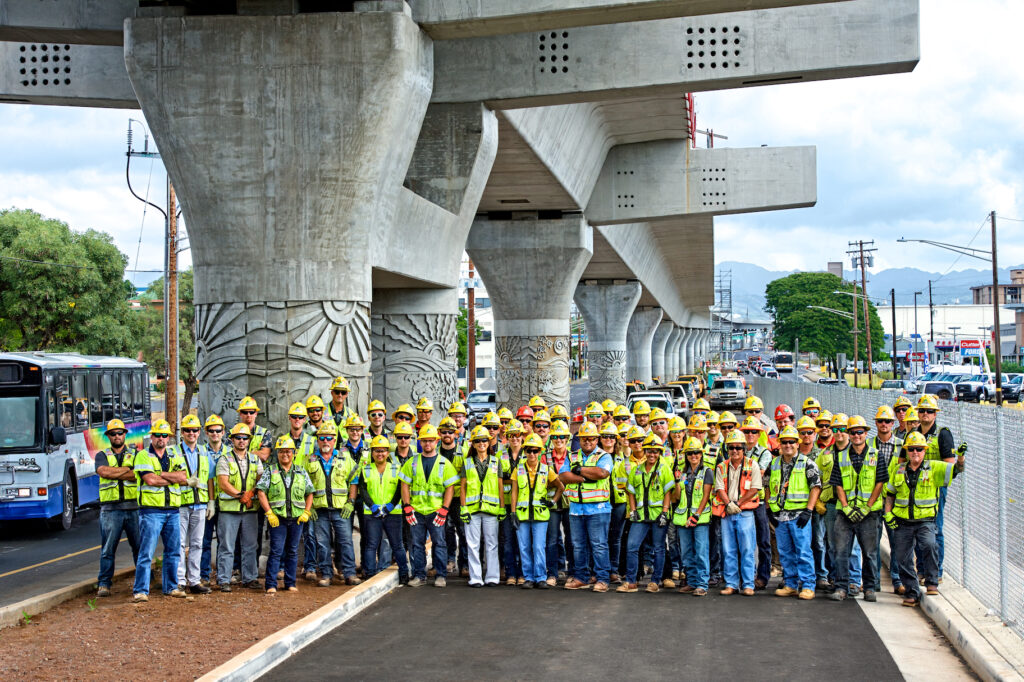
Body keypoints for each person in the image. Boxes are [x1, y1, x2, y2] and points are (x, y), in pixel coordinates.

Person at [884, 431, 966, 607]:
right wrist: (888, 513)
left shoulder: (934, 467)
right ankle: (912, 592)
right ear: (906, 451)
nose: (915, 453)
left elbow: (956, 471)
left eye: (919, 449)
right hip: (902, 522)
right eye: (912, 449)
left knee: (929, 545)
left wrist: (960, 459)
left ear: (924, 451)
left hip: (925, 520)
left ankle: (931, 582)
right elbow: (890, 495)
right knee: (902, 557)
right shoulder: (898, 470)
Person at [829, 415, 886, 603]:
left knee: (869, 553)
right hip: (845, 514)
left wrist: (867, 507)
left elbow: (879, 482)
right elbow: (837, 483)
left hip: (868, 514)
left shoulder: (876, 455)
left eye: (859, 432)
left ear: (866, 433)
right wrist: (845, 507)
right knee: (841, 551)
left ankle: (869, 587)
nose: (856, 436)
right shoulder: (841, 456)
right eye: (852, 432)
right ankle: (841, 587)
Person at [132, 419, 188, 602]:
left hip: (172, 509)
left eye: (165, 435)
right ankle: (140, 590)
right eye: (158, 435)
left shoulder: (173, 455)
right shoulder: (142, 456)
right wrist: (171, 478)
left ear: (169, 438)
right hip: (151, 510)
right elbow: (150, 480)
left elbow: (183, 477)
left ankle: (171, 587)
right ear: (152, 436)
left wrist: (162, 474)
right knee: (146, 552)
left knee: (173, 551)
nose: (161, 439)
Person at [400, 424, 459, 587]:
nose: (427, 444)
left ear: (436, 442)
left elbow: (450, 487)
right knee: (417, 544)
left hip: (435, 511)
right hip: (417, 511)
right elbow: (404, 484)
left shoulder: (444, 463)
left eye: (430, 441)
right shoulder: (412, 462)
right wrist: (407, 506)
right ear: (420, 442)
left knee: (439, 543)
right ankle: (419, 575)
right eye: (424, 441)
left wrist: (444, 509)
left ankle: (441, 575)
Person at [767, 425, 822, 600]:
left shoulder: (807, 463)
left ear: (797, 444)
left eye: (791, 442)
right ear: (780, 444)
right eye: (784, 442)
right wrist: (769, 509)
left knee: (803, 551)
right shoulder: (774, 463)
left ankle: (807, 585)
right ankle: (790, 584)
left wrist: (808, 510)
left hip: (799, 516)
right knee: (785, 552)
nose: (788, 445)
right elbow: (767, 485)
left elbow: (816, 487)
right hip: (780, 516)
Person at [558, 422, 613, 592]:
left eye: (591, 438)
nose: (587, 442)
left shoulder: (604, 456)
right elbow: (563, 476)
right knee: (578, 545)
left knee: (598, 545)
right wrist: (585, 477)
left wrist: (579, 470)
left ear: (597, 439)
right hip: (576, 509)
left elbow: (602, 473)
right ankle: (581, 577)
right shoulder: (572, 455)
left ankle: (603, 579)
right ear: (579, 440)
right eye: (584, 439)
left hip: (598, 509)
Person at [618, 433, 675, 593]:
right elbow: (630, 491)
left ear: (660, 453)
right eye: (649, 451)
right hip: (641, 516)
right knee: (632, 546)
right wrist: (633, 510)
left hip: (658, 516)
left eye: (655, 451)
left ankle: (655, 581)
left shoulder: (664, 470)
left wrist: (664, 512)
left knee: (658, 548)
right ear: (645, 451)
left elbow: (668, 493)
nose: (652, 454)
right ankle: (631, 582)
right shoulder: (637, 470)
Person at [256, 436, 314, 594]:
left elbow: (310, 493)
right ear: (277, 453)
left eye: (288, 451)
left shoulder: (301, 471)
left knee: (293, 551)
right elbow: (261, 492)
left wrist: (307, 511)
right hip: (278, 519)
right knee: (276, 551)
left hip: (297, 519)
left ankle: (290, 582)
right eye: (281, 451)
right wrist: (269, 513)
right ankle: (270, 584)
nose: (285, 454)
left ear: (294, 453)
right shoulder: (271, 471)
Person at [306, 421, 361, 587]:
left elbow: (354, 480)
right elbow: (304, 485)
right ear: (317, 440)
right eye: (321, 438)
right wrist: (309, 508)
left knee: (345, 542)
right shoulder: (310, 460)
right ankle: (326, 575)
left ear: (334, 439)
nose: (325, 441)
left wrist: (351, 502)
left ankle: (349, 573)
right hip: (319, 510)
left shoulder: (344, 458)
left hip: (340, 509)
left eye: (329, 438)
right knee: (322, 544)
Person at [351, 435, 409, 584]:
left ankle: (404, 574)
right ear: (372, 452)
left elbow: (399, 489)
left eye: (383, 451)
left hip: (393, 513)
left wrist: (391, 505)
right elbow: (362, 490)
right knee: (371, 545)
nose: (380, 454)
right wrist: (373, 506)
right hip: (372, 514)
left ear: (388, 453)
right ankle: (370, 575)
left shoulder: (396, 468)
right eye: (376, 451)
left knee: (397, 545)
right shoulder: (366, 469)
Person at [511, 433, 564, 589]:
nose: (532, 454)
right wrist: (513, 512)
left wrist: (552, 501)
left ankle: (540, 577)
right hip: (522, 514)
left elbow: (560, 487)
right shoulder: (518, 469)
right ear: (525, 451)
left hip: (540, 515)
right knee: (524, 547)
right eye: (529, 450)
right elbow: (514, 492)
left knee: (539, 547)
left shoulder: (546, 469)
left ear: (540, 451)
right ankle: (528, 577)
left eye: (535, 451)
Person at [95, 418, 141, 598]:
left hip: (133, 507)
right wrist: (126, 470)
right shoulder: (102, 455)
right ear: (108, 436)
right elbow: (103, 472)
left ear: (125, 434)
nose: (117, 436)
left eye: (120, 433)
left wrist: (117, 472)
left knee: (139, 547)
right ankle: (104, 584)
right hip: (110, 510)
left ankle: (144, 580)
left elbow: (137, 475)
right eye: (113, 434)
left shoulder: (136, 453)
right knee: (108, 549)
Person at [713, 430, 761, 596]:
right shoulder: (721, 467)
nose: (735, 451)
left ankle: (748, 584)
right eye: (731, 447)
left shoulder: (752, 465)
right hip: (728, 513)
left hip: (745, 512)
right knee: (728, 550)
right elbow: (719, 488)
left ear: (743, 449)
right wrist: (729, 504)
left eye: (738, 448)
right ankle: (731, 584)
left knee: (747, 549)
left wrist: (738, 503)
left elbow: (755, 488)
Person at [216, 422, 262, 591]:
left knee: (250, 546)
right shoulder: (224, 459)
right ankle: (224, 580)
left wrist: (250, 495)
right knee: (227, 546)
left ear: (249, 440)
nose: (241, 441)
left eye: (245, 438)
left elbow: (261, 480)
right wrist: (242, 496)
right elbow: (223, 482)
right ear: (232, 440)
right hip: (229, 510)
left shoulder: (255, 459)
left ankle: (250, 578)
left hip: (250, 510)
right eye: (238, 438)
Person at [916, 394, 957, 581]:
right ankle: (922, 570)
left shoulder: (943, 434)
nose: (925, 414)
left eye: (929, 411)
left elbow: (950, 466)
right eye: (922, 411)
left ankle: (936, 572)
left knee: (936, 529)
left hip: (936, 489)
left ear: (935, 414)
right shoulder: (914, 434)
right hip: (915, 489)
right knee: (917, 530)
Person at [460, 425, 506, 587]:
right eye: (478, 441)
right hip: (472, 510)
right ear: (472, 443)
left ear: (489, 442)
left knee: (492, 544)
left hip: (491, 510)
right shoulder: (466, 463)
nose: (481, 443)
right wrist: (463, 507)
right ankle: (476, 578)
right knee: (472, 545)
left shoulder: (496, 461)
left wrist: (502, 507)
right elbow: (463, 487)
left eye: (484, 440)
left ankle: (492, 576)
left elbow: (500, 486)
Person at [174, 413, 214, 594]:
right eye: (188, 430)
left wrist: (211, 501)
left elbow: (211, 478)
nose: (191, 433)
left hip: (200, 505)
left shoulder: (204, 452)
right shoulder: (173, 452)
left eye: (195, 430)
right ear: (182, 432)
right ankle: (180, 580)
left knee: (198, 543)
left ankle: (195, 581)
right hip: (181, 504)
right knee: (180, 544)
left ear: (199, 433)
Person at [673, 436, 713, 596]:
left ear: (701, 454)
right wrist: (676, 481)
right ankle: (691, 581)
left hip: (700, 519)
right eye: (690, 453)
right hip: (683, 518)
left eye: (696, 452)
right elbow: (677, 496)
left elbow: (706, 496)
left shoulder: (707, 471)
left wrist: (696, 515)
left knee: (701, 551)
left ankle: (702, 584)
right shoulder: (683, 473)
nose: (693, 456)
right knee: (686, 552)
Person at [871, 405, 903, 593]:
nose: (885, 425)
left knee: (896, 542)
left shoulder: (902, 446)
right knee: (872, 543)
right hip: (874, 502)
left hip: (894, 501)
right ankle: (873, 581)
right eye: (881, 421)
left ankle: (897, 579)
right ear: (876, 423)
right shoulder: (868, 446)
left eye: (888, 421)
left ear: (893, 423)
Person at [796, 415, 830, 590]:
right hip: (795, 506)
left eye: (810, 432)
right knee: (799, 543)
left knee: (818, 541)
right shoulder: (793, 454)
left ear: (815, 434)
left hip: (815, 506)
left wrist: (818, 501)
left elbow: (824, 479)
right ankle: (798, 576)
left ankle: (821, 574)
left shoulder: (822, 454)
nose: (806, 435)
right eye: (803, 432)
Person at [740, 416, 773, 589]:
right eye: (747, 431)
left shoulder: (764, 453)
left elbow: (758, 473)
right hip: (742, 502)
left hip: (758, 501)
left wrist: (741, 475)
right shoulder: (738, 449)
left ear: (759, 434)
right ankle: (746, 575)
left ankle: (763, 576)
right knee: (745, 542)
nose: (750, 435)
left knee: (763, 540)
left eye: (754, 432)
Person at [199, 414, 229, 587]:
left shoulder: (230, 452)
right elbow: (208, 477)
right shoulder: (201, 451)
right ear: (206, 433)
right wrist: (210, 501)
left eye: (218, 431)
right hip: (207, 503)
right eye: (211, 431)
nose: (215, 434)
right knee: (204, 541)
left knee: (224, 541)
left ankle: (222, 575)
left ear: (223, 432)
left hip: (226, 503)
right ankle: (204, 575)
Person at [545, 419, 574, 585]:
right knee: (552, 540)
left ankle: (573, 573)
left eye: (562, 436)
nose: (559, 439)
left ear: (567, 438)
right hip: (552, 504)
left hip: (571, 503)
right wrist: (560, 481)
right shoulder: (544, 456)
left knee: (571, 540)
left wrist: (557, 481)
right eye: (555, 436)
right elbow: (542, 479)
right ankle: (553, 573)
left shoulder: (573, 456)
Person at [601, 422, 628, 584]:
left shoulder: (623, 456)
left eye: (611, 436)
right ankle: (602, 570)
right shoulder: (595, 455)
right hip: (601, 501)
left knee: (616, 538)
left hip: (619, 502)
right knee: (601, 538)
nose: (608, 439)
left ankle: (613, 570)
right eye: (605, 436)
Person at [500, 419, 526, 584]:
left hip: (523, 503)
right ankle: (510, 573)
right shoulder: (499, 455)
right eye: (511, 435)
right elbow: (498, 480)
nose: (514, 438)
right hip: (506, 503)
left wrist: (509, 479)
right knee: (508, 540)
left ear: (522, 436)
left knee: (523, 540)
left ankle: (523, 573)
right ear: (507, 437)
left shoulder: (529, 453)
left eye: (517, 435)